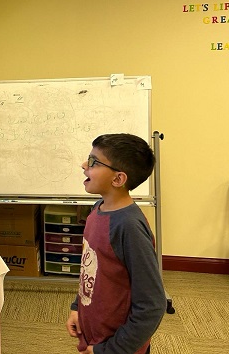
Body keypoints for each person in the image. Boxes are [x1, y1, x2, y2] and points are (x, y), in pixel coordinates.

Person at [66, 133, 166, 354]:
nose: (84, 165)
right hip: (95, 335)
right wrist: (77, 307)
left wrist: (110, 349)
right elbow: (91, 272)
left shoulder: (128, 226)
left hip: (116, 346)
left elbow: (152, 305)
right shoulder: (97, 209)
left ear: (118, 179)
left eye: (93, 162)